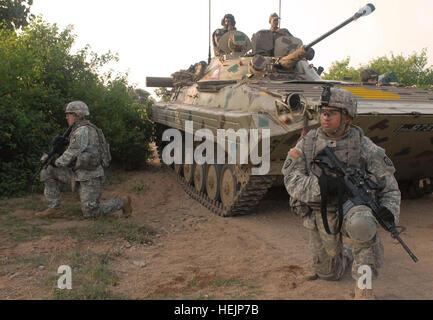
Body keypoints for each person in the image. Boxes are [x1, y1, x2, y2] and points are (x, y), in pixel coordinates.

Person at [281, 87, 401, 300]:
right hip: (321, 210)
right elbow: (291, 178)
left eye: (331, 113)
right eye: (322, 112)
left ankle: (364, 289)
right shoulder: (307, 143)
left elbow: (389, 186)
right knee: (328, 273)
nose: (324, 118)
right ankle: (346, 254)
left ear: (346, 116)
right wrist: (323, 187)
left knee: (363, 225)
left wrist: (389, 212)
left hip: (353, 207)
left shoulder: (363, 145)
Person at [36, 101, 132, 219]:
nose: (66, 117)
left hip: (89, 176)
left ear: (78, 115)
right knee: (47, 170)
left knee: (91, 213)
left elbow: (72, 153)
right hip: (76, 173)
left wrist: (54, 161)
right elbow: (72, 153)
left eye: (69, 114)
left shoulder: (82, 130)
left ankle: (122, 202)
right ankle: (54, 208)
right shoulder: (76, 129)